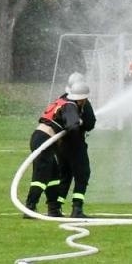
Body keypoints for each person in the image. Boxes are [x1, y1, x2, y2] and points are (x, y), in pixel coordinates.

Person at [23, 86, 85, 218]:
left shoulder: (62, 101)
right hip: (44, 139)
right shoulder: (70, 106)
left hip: (43, 138)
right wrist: (78, 123)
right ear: (81, 99)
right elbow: (72, 126)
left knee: (53, 175)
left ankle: (53, 208)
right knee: (41, 175)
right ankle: (30, 207)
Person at [57, 73, 96, 219]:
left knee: (64, 176)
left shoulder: (61, 100)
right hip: (75, 143)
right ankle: (77, 208)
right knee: (82, 174)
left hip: (60, 145)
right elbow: (90, 122)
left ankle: (55, 207)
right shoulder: (81, 102)